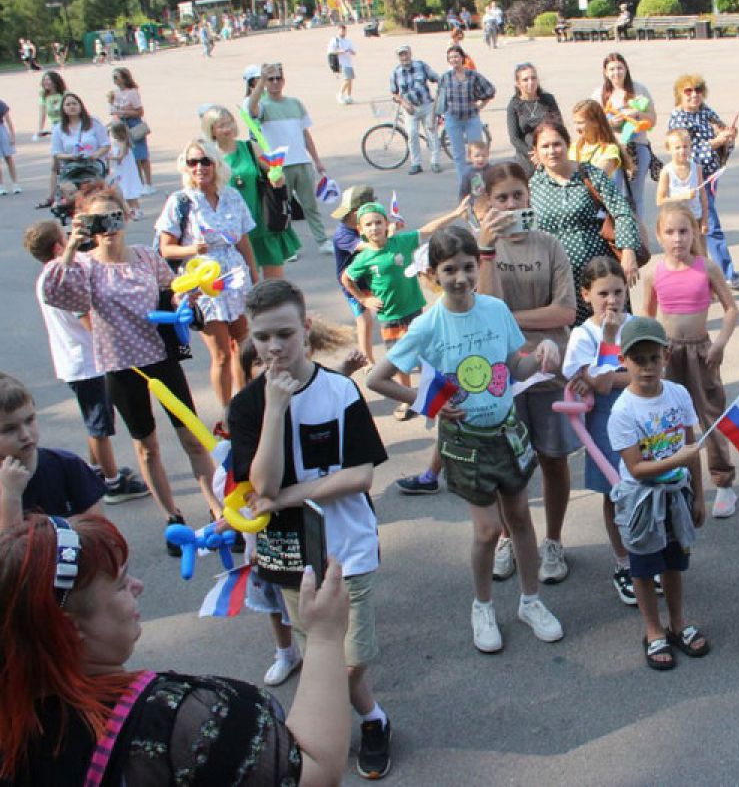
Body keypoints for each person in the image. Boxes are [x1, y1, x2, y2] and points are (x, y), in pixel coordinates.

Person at [0, 513, 354, 785]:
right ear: (69, 629)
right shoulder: (181, 721)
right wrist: (323, 636)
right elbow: (314, 771)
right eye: (121, 585)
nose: (138, 586)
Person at [367, 226, 566, 655]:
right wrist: (429, 404)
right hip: (465, 442)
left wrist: (543, 354)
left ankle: (531, 602)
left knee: (520, 520)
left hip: (507, 432)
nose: (460, 277)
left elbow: (516, 366)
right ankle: (483, 606)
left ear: (479, 265)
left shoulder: (496, 310)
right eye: (449, 269)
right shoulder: (427, 324)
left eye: (468, 267)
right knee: (488, 530)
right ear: (434, 273)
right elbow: (377, 378)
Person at [229, 279, 394, 779]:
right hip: (291, 555)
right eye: (263, 337)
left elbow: (361, 474)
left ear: (305, 328)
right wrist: (276, 409)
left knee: (348, 662)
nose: (275, 347)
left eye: (285, 333)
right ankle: (370, 720)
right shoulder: (248, 405)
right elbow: (261, 483)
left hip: (348, 548)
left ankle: (356, 719)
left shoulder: (339, 390)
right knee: (322, 655)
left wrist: (290, 496)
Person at [42, 185, 218, 549]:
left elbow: (171, 292)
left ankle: (217, 512)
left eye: (114, 216)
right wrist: (73, 246)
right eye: (98, 219)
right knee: (147, 447)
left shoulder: (145, 256)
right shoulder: (85, 267)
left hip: (162, 358)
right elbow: (56, 294)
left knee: (193, 438)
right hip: (123, 368)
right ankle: (173, 518)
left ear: (126, 217)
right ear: (86, 223)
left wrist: (187, 295)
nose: (108, 226)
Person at [475, 163, 580, 583]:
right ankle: (507, 536)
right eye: (501, 198)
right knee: (507, 464)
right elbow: (481, 310)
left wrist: (509, 320)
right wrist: (484, 249)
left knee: (553, 457)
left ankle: (552, 541)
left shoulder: (550, 245)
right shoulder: (485, 249)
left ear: (529, 197)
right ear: (488, 203)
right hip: (501, 374)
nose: (511, 204)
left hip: (550, 367)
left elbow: (566, 311)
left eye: (517, 195)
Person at [607, 315, 709, 671]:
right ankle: (653, 630)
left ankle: (677, 622)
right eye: (639, 359)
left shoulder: (678, 394)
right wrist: (677, 459)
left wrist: (698, 495)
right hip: (641, 501)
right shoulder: (623, 411)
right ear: (624, 360)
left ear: (666, 356)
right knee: (644, 566)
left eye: (654, 358)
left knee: (673, 562)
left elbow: (692, 446)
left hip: (677, 494)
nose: (648, 367)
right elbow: (636, 468)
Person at [23, 223, 148, 503]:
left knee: (97, 420)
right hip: (86, 363)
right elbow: (89, 322)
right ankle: (112, 483)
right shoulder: (66, 279)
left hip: (74, 361)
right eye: (65, 237)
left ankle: (96, 468)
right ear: (58, 247)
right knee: (99, 426)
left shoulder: (48, 276)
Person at [643, 202, 739, 518]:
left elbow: (731, 309)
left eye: (683, 231)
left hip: (701, 351)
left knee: (710, 414)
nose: (677, 239)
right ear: (659, 236)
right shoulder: (654, 273)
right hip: (667, 355)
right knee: (670, 419)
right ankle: (676, 478)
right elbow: (647, 317)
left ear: (694, 232)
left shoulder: (706, 267)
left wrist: (720, 344)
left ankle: (723, 483)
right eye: (670, 232)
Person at [156, 139, 259, 413]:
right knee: (222, 354)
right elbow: (165, 248)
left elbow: (244, 240)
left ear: (216, 164)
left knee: (244, 346)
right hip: (203, 284)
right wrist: (192, 248)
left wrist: (254, 275)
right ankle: (228, 412)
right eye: (192, 162)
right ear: (185, 167)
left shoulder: (232, 196)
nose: (199, 167)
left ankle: (246, 402)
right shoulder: (180, 201)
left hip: (235, 279)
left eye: (205, 161)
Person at [340, 199, 466, 417]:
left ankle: (442, 392)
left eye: (378, 222)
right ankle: (408, 398)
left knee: (428, 353)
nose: (374, 228)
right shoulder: (363, 258)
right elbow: (346, 279)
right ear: (360, 229)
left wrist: (455, 212)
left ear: (386, 224)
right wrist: (364, 300)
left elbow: (428, 229)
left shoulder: (402, 242)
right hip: (390, 316)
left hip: (414, 310)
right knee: (400, 360)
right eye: (368, 225)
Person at [563, 255, 638, 603]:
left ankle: (645, 555)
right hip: (606, 422)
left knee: (643, 487)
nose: (612, 300)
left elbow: (657, 371)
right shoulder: (583, 335)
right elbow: (603, 384)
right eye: (603, 293)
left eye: (618, 292)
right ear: (585, 295)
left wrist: (608, 377)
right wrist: (611, 343)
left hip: (641, 418)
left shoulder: (636, 325)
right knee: (616, 493)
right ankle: (623, 563)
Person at [528, 119, 641, 325]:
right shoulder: (533, 185)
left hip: (599, 275)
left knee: (609, 331)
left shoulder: (589, 174)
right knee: (571, 338)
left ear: (567, 145)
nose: (552, 151)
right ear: (535, 151)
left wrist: (628, 252)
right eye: (545, 146)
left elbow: (622, 212)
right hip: (558, 279)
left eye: (557, 144)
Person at [200, 104, 301, 280]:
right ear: (212, 131)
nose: (228, 129)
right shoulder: (209, 156)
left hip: (260, 219)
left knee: (275, 283)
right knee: (243, 281)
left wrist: (276, 176)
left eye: (230, 123)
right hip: (231, 225)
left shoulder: (249, 147)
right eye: (222, 125)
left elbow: (274, 172)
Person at [0, 373, 111, 531]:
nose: (25, 434)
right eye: (9, 429)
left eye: (29, 420)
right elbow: (8, 551)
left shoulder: (68, 465)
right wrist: (10, 495)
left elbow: (101, 534)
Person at [248, 61, 334, 255]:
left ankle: (322, 241)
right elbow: (250, 108)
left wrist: (316, 160)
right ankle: (287, 248)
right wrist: (261, 80)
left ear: (283, 81)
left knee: (310, 205)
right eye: (271, 79)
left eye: (278, 78)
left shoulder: (295, 103)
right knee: (281, 208)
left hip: (301, 162)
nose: (275, 82)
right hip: (279, 166)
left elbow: (305, 134)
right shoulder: (262, 106)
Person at [667, 74, 739, 288]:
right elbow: (684, 152)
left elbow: (720, 128)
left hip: (711, 174)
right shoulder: (678, 118)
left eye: (698, 90)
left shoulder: (705, 111)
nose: (694, 95)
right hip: (693, 179)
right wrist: (715, 142)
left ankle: (700, 272)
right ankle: (726, 274)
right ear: (679, 94)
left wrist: (728, 135)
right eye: (688, 91)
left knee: (703, 227)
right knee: (709, 225)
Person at [591, 53, 657, 219]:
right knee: (612, 194)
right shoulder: (599, 94)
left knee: (636, 197)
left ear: (626, 69)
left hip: (637, 147)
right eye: (611, 69)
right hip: (610, 150)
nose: (616, 72)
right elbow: (591, 124)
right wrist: (609, 124)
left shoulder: (639, 89)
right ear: (605, 72)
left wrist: (636, 113)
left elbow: (652, 119)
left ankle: (638, 236)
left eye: (620, 68)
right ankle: (616, 235)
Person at [331, 185, 379, 363]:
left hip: (371, 277)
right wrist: (386, 238)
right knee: (365, 320)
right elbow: (367, 247)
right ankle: (367, 360)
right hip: (352, 284)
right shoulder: (343, 234)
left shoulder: (368, 224)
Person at [437, 45, 495, 184]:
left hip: (471, 119)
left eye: (456, 56)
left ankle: (480, 182)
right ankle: (464, 183)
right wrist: (439, 115)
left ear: (462, 58)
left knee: (477, 152)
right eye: (450, 57)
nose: (454, 59)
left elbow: (490, 90)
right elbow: (441, 97)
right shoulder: (445, 77)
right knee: (458, 155)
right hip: (453, 119)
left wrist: (481, 104)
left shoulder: (472, 75)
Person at [45, 93, 110, 209]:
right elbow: (56, 153)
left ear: (80, 106)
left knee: (92, 190)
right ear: (63, 109)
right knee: (69, 191)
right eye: (68, 104)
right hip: (71, 166)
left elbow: (105, 145)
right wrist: (71, 156)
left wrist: (95, 155)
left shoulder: (93, 123)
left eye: (74, 103)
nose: (71, 107)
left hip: (92, 165)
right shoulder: (58, 128)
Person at [389, 44, 442, 175]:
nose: (404, 57)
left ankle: (435, 162)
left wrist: (438, 96)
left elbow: (438, 79)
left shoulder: (421, 66)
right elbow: (394, 93)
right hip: (410, 109)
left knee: (431, 132)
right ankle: (416, 163)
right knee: (412, 135)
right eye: (401, 55)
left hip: (426, 105)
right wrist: (404, 103)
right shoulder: (395, 73)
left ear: (410, 54)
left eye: (405, 54)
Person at [570, 99, 633, 198]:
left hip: (599, 208)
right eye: (575, 123)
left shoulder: (609, 150)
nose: (576, 127)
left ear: (596, 123)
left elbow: (597, 178)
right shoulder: (574, 147)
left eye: (580, 123)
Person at [656, 128, 709, 248]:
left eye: (686, 146)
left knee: (700, 254)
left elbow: (703, 197)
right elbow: (660, 200)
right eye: (677, 148)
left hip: (696, 217)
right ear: (669, 150)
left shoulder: (696, 168)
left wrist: (705, 220)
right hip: (677, 220)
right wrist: (682, 197)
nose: (682, 151)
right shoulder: (667, 171)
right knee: (682, 253)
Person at [507, 63, 561, 177]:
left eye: (533, 78)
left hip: (550, 150)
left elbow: (559, 126)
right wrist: (534, 154)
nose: (530, 82)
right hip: (529, 156)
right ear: (518, 83)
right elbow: (514, 138)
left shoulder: (548, 99)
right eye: (525, 80)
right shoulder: (514, 105)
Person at [107, 67, 153, 189]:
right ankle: (139, 183)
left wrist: (125, 113)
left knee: (141, 154)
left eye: (117, 77)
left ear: (124, 78)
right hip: (122, 126)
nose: (114, 79)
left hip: (133, 124)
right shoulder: (114, 93)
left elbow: (139, 111)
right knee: (132, 156)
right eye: (113, 77)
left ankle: (148, 184)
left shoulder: (132, 92)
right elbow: (113, 111)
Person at [106, 120, 143, 219]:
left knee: (129, 190)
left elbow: (120, 156)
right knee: (121, 190)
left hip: (124, 170)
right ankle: (128, 211)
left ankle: (136, 210)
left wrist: (109, 158)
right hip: (118, 169)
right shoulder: (115, 142)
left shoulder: (123, 143)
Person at [328, 24, 357, 104]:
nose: (343, 32)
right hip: (341, 62)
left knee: (350, 79)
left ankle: (349, 96)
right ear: (338, 31)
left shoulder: (348, 41)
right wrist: (341, 51)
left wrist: (351, 51)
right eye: (341, 30)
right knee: (347, 79)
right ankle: (340, 94)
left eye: (344, 31)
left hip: (349, 62)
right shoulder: (335, 40)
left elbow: (354, 51)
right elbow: (331, 51)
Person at [35, 70, 67, 138]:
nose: (45, 82)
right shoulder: (44, 96)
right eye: (44, 80)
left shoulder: (65, 94)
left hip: (67, 123)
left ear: (55, 81)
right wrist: (40, 129)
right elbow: (42, 113)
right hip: (55, 125)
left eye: (48, 80)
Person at [0, 96, 18, 196]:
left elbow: (8, 120)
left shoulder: (0, 103)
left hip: (1, 131)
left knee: (8, 158)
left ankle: (15, 183)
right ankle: (1, 185)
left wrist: (12, 136)